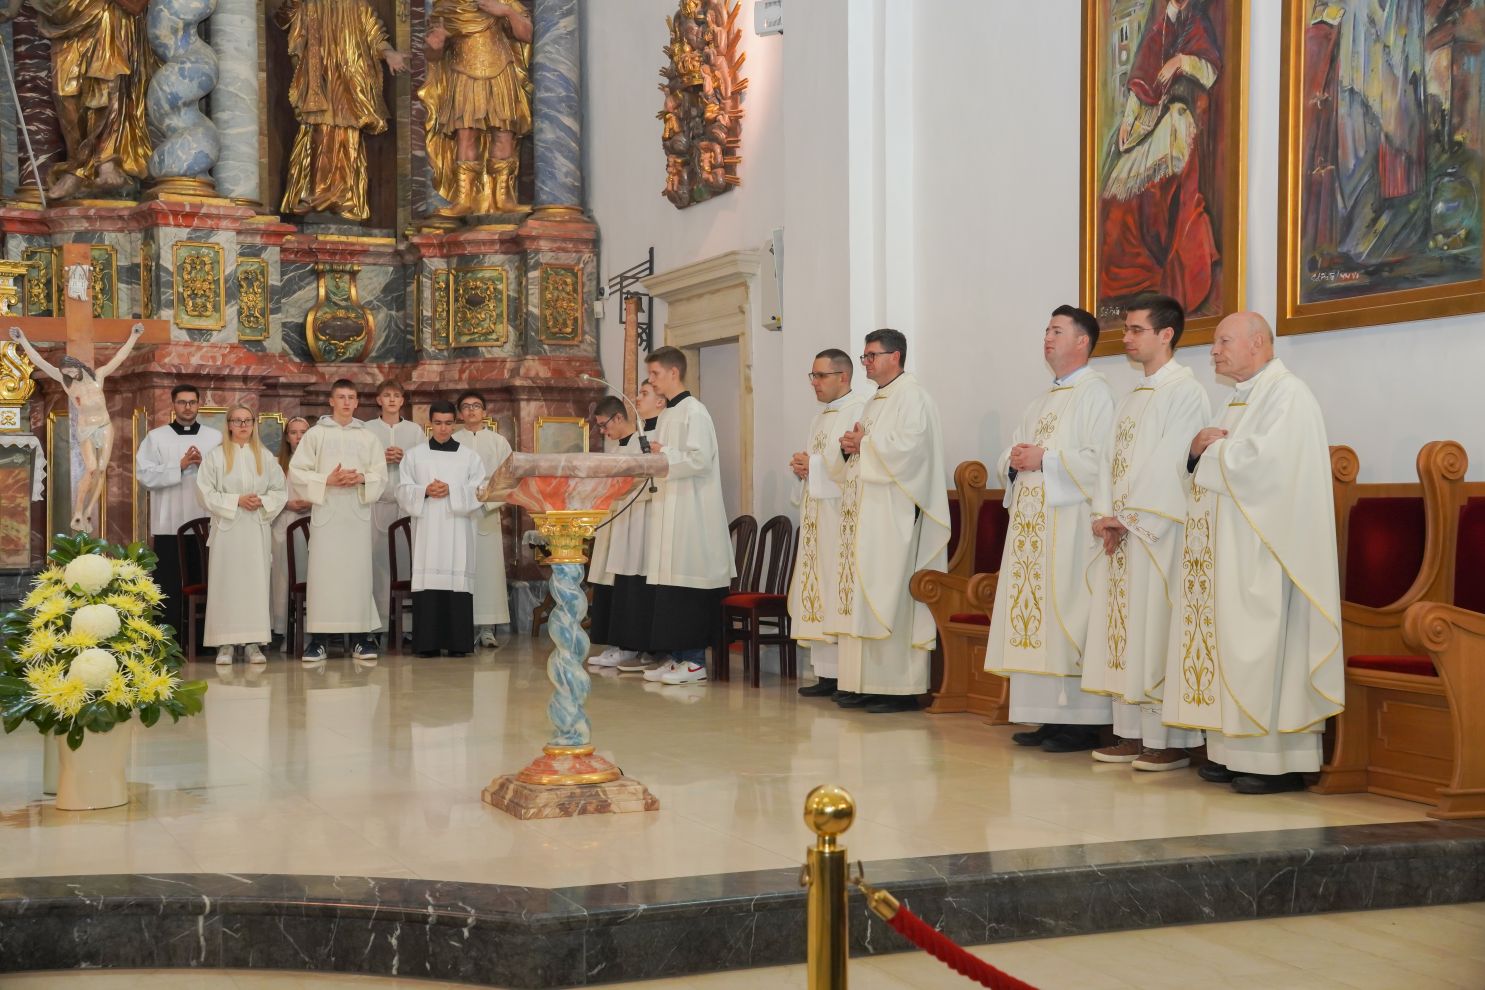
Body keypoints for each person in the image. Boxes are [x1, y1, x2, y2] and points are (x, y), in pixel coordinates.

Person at [1164, 312, 1343, 794]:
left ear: (1257, 342)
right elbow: (1210, 462)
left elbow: (1269, 467)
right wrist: (1196, 450)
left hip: (1267, 555)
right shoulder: (1237, 399)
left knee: (1263, 648)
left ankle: (1277, 763)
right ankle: (1231, 750)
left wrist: (1209, 452)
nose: (1215, 351)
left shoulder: (1289, 395)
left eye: (1223, 341)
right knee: (1232, 646)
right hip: (1230, 552)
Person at [1081, 294, 1211, 771]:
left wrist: (1129, 516)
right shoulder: (1132, 395)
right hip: (1124, 531)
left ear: (1166, 335)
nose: (1127, 337)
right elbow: (1107, 461)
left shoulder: (1186, 391)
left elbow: (1173, 463)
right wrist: (1102, 514)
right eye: (1127, 329)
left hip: (1159, 533)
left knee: (1154, 628)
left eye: (1136, 329)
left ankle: (1169, 738)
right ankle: (1131, 733)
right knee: (1124, 629)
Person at [984, 306, 1116, 751]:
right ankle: (1045, 716)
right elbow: (1014, 453)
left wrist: (1047, 460)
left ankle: (1079, 722)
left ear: (1082, 341)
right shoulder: (1041, 400)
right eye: (1046, 330)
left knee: (1067, 616)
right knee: (1034, 619)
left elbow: (1102, 460)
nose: (1047, 337)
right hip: (1031, 528)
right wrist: (1015, 460)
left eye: (1057, 330)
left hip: (1070, 526)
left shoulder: (1097, 394)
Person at [827, 330, 950, 713]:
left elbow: (912, 450)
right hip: (866, 513)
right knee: (865, 596)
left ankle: (897, 689)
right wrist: (850, 447)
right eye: (863, 356)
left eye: (870, 356)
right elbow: (863, 447)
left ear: (895, 356)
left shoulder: (913, 397)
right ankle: (864, 683)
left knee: (889, 595)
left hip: (894, 515)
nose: (865, 362)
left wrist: (864, 444)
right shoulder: (875, 402)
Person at [1099, 0, 1221, 315]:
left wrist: (1181, 61)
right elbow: (1142, 79)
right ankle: (1129, 283)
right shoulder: (1159, 27)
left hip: (1179, 117)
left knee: (1157, 193)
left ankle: (1154, 281)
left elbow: (1209, 71)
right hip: (1149, 121)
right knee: (1116, 202)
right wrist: (1128, 121)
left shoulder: (1197, 22)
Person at [640, 346, 734, 685]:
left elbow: (699, 460)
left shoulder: (696, 412)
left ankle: (695, 661)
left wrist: (665, 453)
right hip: (670, 506)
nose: (652, 381)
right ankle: (677, 656)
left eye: (655, 374)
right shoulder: (667, 415)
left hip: (692, 512)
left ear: (673, 373)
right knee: (670, 589)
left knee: (689, 589)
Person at [274, 0, 408, 220]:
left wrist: (389, 53)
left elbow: (375, 34)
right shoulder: (310, 4)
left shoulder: (358, 6)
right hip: (319, 79)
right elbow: (282, 19)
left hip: (351, 82)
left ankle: (344, 198)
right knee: (320, 133)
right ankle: (317, 194)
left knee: (348, 137)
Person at [10, 323, 145, 532]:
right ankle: (78, 512)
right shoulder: (67, 383)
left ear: (77, 365)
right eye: (67, 373)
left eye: (72, 370)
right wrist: (22, 340)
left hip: (105, 426)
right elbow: (38, 360)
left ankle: (89, 511)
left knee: (101, 469)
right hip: (86, 430)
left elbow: (119, 358)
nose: (71, 374)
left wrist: (134, 337)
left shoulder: (98, 376)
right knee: (91, 469)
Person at [788, 348, 868, 699]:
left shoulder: (858, 410)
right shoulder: (820, 417)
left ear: (843, 377)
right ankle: (825, 674)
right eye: (812, 376)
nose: (815, 383)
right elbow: (824, 463)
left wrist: (815, 466)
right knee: (816, 591)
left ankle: (844, 676)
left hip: (840, 519)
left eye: (821, 376)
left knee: (836, 590)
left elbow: (850, 466)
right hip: (817, 516)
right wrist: (805, 468)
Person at [289, 379, 388, 662]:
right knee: (324, 577)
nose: (346, 402)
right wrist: (327, 479)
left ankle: (360, 638)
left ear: (357, 402)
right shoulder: (316, 434)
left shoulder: (367, 437)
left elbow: (380, 475)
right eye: (341, 397)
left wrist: (360, 478)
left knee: (357, 576)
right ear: (331, 401)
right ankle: (318, 640)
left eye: (351, 397)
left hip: (355, 517)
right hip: (327, 517)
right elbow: (297, 471)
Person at [26, 0, 152, 199]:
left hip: (106, 13)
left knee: (105, 84)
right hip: (64, 16)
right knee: (64, 95)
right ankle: (77, 164)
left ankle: (107, 161)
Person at [420, 0, 532, 214]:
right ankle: (465, 199)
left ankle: (503, 198)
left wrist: (506, 12)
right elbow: (432, 55)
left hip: (500, 69)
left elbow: (527, 34)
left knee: (503, 132)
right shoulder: (446, 6)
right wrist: (436, 45)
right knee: (466, 134)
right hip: (463, 71)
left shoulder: (503, 1)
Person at [135, 382, 223, 654]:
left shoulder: (215, 438)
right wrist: (179, 466)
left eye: (192, 402)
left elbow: (227, 474)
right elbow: (145, 475)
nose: (187, 407)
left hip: (206, 522)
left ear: (199, 405)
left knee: (206, 581)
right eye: (182, 402)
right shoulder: (156, 437)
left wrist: (204, 464)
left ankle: (204, 643)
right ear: (173, 405)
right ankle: (168, 643)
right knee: (169, 585)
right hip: (169, 522)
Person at [197, 405, 287, 665]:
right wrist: (237, 500)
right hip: (227, 531)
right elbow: (205, 493)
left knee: (255, 586)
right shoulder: (215, 457)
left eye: (247, 420)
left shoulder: (266, 457)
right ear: (228, 425)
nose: (243, 425)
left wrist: (261, 501)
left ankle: (253, 644)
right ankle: (224, 644)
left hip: (255, 530)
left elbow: (280, 492)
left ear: (253, 424)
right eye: (237, 421)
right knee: (226, 584)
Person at [397, 400, 485, 656]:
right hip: (428, 529)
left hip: (458, 529)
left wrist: (452, 490)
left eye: (448, 423)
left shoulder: (469, 457)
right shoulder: (415, 455)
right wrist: (424, 491)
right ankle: (427, 643)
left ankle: (458, 644)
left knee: (457, 581)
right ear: (430, 424)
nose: (443, 429)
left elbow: (480, 491)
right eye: (438, 423)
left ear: (454, 423)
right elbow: (402, 490)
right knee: (429, 581)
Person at [587, 395, 657, 668]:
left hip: (635, 522)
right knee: (609, 584)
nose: (604, 432)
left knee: (631, 585)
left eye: (604, 425)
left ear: (618, 417)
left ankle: (631, 646)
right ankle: (615, 643)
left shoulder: (644, 445)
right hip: (615, 521)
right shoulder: (616, 451)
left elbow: (645, 484)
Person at [365, 380, 424, 647]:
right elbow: (359, 464)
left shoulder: (414, 431)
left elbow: (425, 465)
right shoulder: (367, 430)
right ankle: (376, 625)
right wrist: (380, 460)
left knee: (405, 561)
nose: (391, 400)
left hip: (405, 505)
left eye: (396, 396)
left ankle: (409, 626)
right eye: (386, 395)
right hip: (376, 503)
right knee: (376, 564)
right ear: (378, 400)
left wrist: (406, 458)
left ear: (403, 401)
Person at [453, 390, 512, 647]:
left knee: (488, 572)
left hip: (487, 513)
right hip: (460, 514)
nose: (472, 410)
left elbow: (509, 477)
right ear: (460, 413)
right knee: (461, 570)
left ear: (485, 412)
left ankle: (487, 628)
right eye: (466, 406)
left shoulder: (498, 442)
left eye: (477, 406)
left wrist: (488, 500)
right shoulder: (453, 440)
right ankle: (461, 626)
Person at [270, 416, 313, 648]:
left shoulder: (317, 463)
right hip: (283, 524)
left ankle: (307, 631)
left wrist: (312, 502)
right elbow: (270, 494)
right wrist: (287, 504)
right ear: (287, 437)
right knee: (283, 578)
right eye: (294, 433)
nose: (299, 437)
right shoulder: (278, 463)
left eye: (304, 433)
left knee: (308, 576)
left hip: (310, 524)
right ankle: (283, 630)